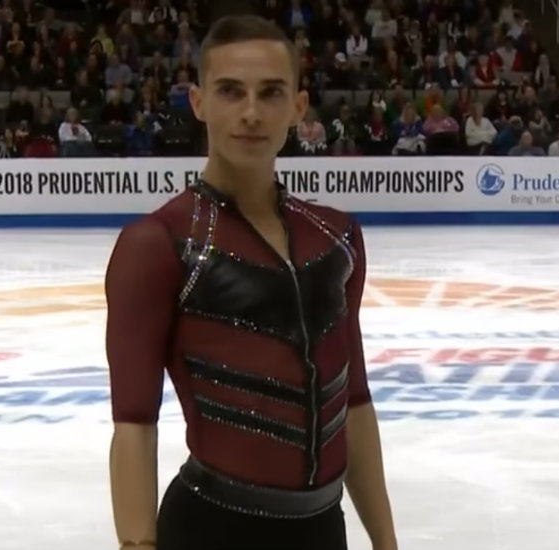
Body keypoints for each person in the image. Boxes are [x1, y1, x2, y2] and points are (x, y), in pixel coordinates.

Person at [105, 14, 398, 550]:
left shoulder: (336, 238)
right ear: (198, 102)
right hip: (210, 528)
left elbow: (353, 399)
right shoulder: (157, 245)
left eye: (270, 94)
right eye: (230, 91)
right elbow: (133, 422)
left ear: (298, 107)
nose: (250, 112)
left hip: (321, 530)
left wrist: (386, 542)